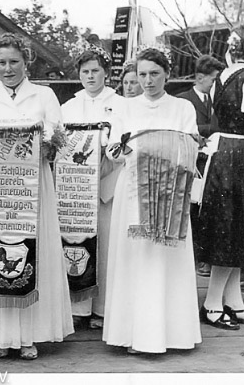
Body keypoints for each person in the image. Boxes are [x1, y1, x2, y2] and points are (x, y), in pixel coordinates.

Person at [0, 33, 74, 360]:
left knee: (33, 253)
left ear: (26, 61)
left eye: (14, 62)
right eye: (1, 63)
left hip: (33, 185)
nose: (8, 69)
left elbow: (56, 135)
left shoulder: (44, 94)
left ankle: (29, 336)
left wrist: (36, 140)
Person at [103, 47, 202, 354]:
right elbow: (113, 150)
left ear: (167, 75)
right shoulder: (124, 108)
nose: (148, 81)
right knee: (138, 259)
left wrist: (156, 149)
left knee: (165, 260)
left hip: (169, 190)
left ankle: (171, 333)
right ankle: (134, 334)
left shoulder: (182, 107)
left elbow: (191, 146)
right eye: (142, 74)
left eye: (154, 74)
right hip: (134, 191)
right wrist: (139, 150)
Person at [196, 23, 244, 329]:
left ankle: (234, 302)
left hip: (221, 152)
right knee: (234, 231)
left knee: (233, 230)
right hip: (242, 155)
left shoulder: (223, 76)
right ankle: (213, 302)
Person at [60, 46, 124, 331]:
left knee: (107, 244)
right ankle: (78, 307)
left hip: (107, 181)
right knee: (75, 242)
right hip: (75, 187)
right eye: (85, 71)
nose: (90, 76)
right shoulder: (68, 106)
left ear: (106, 73)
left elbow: (124, 142)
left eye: (95, 70)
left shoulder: (121, 104)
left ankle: (103, 308)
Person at [177, 54, 225, 278]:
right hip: (192, 162)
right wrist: (208, 131)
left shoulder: (220, 100)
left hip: (214, 162)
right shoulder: (182, 100)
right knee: (192, 211)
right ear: (199, 77)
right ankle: (195, 258)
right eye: (214, 80)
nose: (217, 85)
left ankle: (206, 258)